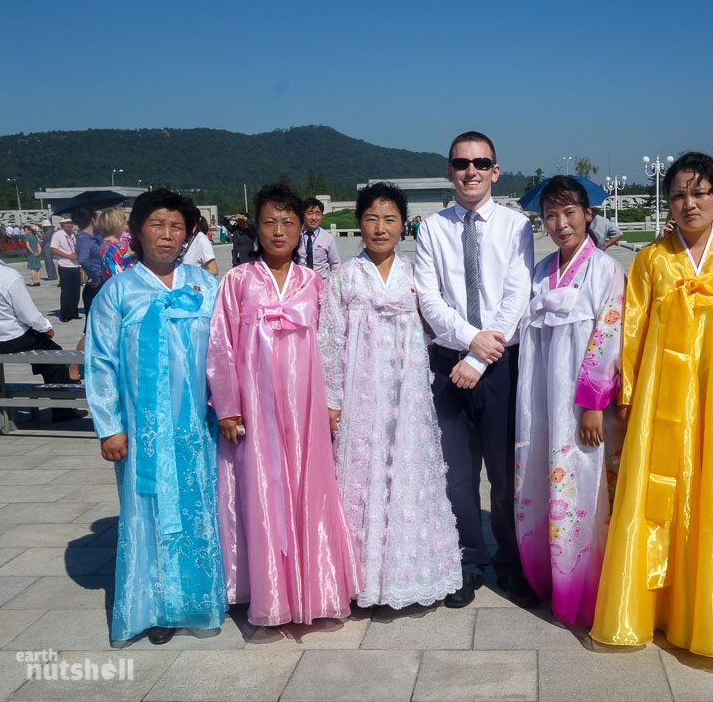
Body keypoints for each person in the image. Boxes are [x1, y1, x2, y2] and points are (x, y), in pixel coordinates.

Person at [590, 152, 713, 660]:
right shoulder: (652, 260)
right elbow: (632, 331)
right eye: (678, 194)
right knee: (655, 498)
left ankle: (712, 616)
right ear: (667, 202)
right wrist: (627, 395)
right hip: (660, 399)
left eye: (699, 193)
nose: (689, 203)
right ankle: (649, 609)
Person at [208, 183, 359, 627]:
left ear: (301, 230)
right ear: (256, 226)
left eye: (288, 223)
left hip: (306, 406)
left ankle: (314, 585)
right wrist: (228, 408)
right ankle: (270, 590)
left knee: (308, 487)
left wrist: (332, 401)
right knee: (260, 488)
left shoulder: (315, 284)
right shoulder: (235, 281)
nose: (278, 231)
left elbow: (330, 345)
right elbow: (221, 347)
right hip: (256, 407)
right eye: (270, 222)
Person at [84, 189, 228, 644]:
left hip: (200, 426)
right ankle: (160, 606)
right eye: (157, 225)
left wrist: (231, 407)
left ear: (188, 234)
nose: (167, 236)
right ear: (137, 231)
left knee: (201, 507)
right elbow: (100, 362)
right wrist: (110, 426)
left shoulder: (204, 285)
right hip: (145, 428)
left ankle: (203, 598)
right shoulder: (118, 291)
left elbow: (226, 352)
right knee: (150, 509)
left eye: (177, 227)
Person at [319, 181, 462, 609]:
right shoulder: (342, 278)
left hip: (407, 393)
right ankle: (361, 577)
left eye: (390, 219)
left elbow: (437, 326)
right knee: (361, 475)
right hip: (361, 392)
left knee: (408, 471)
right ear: (358, 223)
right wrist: (332, 399)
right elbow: (329, 341)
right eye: (371, 219)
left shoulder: (418, 276)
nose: (380, 228)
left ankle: (410, 572)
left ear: (404, 225)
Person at [414, 131, 537, 609]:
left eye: (480, 163)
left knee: (506, 476)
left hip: (501, 364)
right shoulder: (432, 229)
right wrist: (468, 345)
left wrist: (479, 355)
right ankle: (468, 559)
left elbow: (516, 295)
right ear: (450, 171)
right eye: (462, 164)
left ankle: (510, 561)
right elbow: (429, 298)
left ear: (495, 171)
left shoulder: (517, 226)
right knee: (458, 474)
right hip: (449, 367)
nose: (471, 172)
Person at [514, 176, 625, 626]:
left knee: (583, 481)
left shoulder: (605, 270)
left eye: (569, 213)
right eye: (551, 215)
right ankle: (544, 576)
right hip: (540, 395)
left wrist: (594, 403)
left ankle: (584, 585)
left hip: (580, 402)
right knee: (540, 476)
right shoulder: (540, 271)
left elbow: (608, 338)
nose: (561, 224)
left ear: (588, 215)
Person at [0, 225, 77, 404]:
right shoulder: (8, 275)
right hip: (8, 337)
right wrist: (46, 327)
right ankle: (62, 407)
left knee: (42, 346)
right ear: (2, 246)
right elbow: (27, 314)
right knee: (53, 352)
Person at [297, 198, 340, 278]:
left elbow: (334, 264)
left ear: (322, 216)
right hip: (300, 283)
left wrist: (334, 285)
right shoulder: (296, 235)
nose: (314, 217)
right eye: (310, 213)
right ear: (303, 215)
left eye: (318, 213)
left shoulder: (328, 238)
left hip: (321, 283)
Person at [75, 209, 104, 315]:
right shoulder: (84, 238)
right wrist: (95, 277)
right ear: (92, 219)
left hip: (103, 280)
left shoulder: (94, 236)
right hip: (97, 282)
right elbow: (83, 259)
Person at [50, 217, 80, 321]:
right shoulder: (57, 234)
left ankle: (73, 312)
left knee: (76, 291)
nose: (69, 225)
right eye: (67, 223)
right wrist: (68, 256)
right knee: (66, 291)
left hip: (75, 265)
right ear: (62, 224)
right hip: (64, 265)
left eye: (71, 223)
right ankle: (65, 314)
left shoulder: (73, 234)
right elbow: (54, 249)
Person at [96, 208, 135, 281]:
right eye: (123, 218)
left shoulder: (106, 244)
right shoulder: (113, 248)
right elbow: (119, 278)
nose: (126, 221)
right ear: (116, 223)